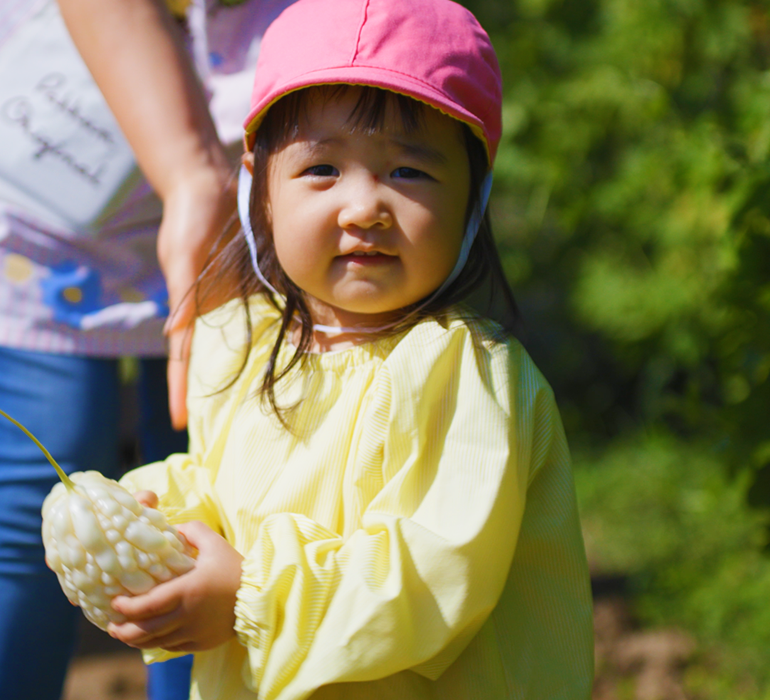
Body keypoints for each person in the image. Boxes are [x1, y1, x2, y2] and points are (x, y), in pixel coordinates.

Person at [112, 0, 595, 697]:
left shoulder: (468, 378)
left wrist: (251, 594)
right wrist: (160, 514)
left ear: (472, 196)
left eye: (409, 172)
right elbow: (227, 489)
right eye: (322, 169)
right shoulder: (239, 345)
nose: (364, 206)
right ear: (262, 186)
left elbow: (431, 579)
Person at [0, 0, 292, 698]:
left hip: (271, 211)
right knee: (36, 486)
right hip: (55, 178)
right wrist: (191, 171)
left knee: (231, 504)